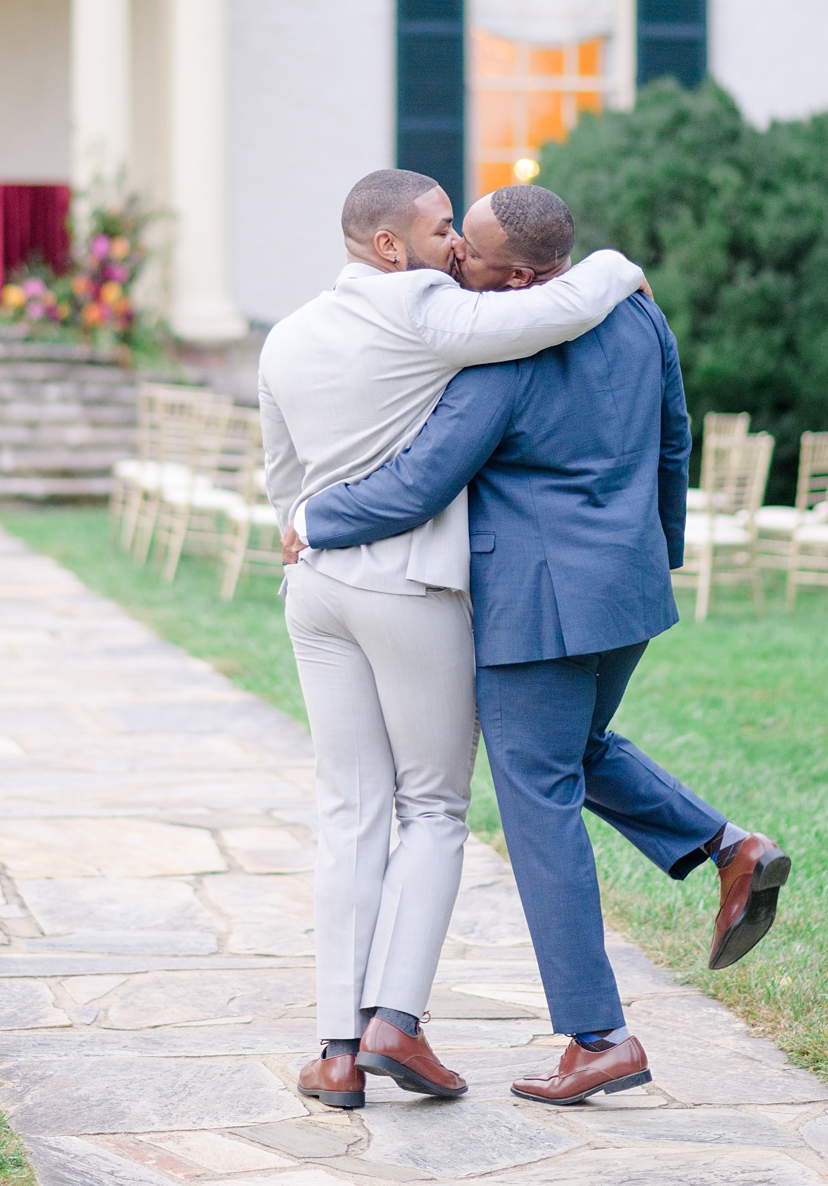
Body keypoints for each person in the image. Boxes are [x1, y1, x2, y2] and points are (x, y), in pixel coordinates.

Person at [299, 182, 792, 1107]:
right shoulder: (642, 321)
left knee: (539, 801)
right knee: (576, 752)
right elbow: (672, 444)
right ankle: (729, 850)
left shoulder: (506, 355)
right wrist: (652, 557)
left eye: (469, 252)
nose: (453, 260)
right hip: (625, 592)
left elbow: (417, 483)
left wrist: (311, 515)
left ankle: (599, 1037)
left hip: (537, 610)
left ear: (521, 276)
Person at [258, 168, 648, 1112]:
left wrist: (305, 523)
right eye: (441, 232)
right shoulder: (425, 308)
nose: (457, 251)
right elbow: (548, 312)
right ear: (391, 247)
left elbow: (281, 474)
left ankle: (338, 1054)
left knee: (347, 810)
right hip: (408, 586)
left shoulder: (286, 334)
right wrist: (616, 264)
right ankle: (397, 1020)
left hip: (313, 588)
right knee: (432, 808)